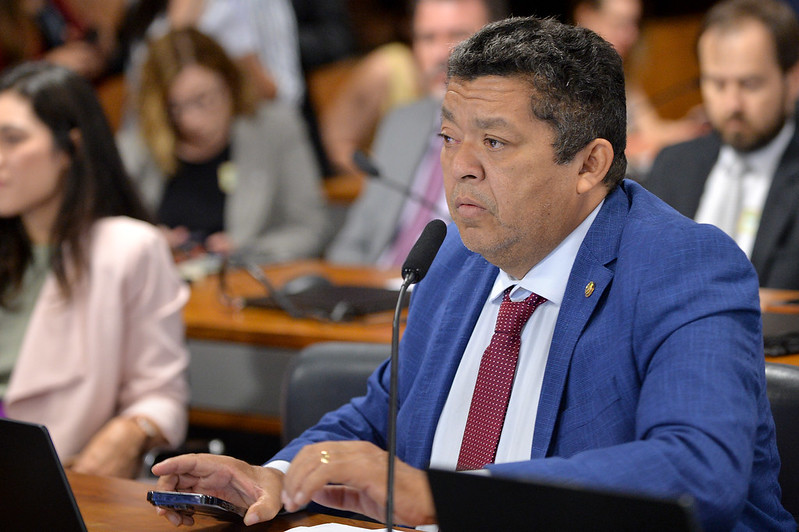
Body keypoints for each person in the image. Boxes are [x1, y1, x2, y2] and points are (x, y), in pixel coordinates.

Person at [152, 16, 794, 531]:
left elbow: (698, 470)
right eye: (449, 137)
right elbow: (382, 415)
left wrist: (442, 498)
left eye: (493, 142)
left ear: (590, 163)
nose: (457, 167)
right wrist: (281, 473)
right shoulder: (458, 260)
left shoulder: (684, 267)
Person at [0, 62, 189, 478]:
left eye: (12, 140)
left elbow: (162, 395)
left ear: (70, 146)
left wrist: (132, 429)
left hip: (56, 482)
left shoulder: (128, 249)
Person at [117, 28, 327, 264]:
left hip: (246, 283)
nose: (190, 121)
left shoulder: (274, 128)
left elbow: (310, 229)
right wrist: (146, 241)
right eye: (175, 108)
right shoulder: (137, 147)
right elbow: (108, 233)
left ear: (229, 82)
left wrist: (246, 251)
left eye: (202, 99)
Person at [325, 0, 506, 266]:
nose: (441, 54)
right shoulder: (402, 121)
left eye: (458, 36)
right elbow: (356, 239)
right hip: (378, 290)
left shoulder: (512, 136)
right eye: (427, 38)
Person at [645, 0, 799, 290]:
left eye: (750, 84)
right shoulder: (673, 166)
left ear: (792, 80)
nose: (732, 104)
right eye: (717, 83)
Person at [571, 0, 708, 178]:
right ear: (585, 15)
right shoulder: (567, 79)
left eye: (634, 24)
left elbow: (653, 131)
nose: (631, 35)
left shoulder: (621, 76)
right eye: (619, 24)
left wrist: (694, 126)